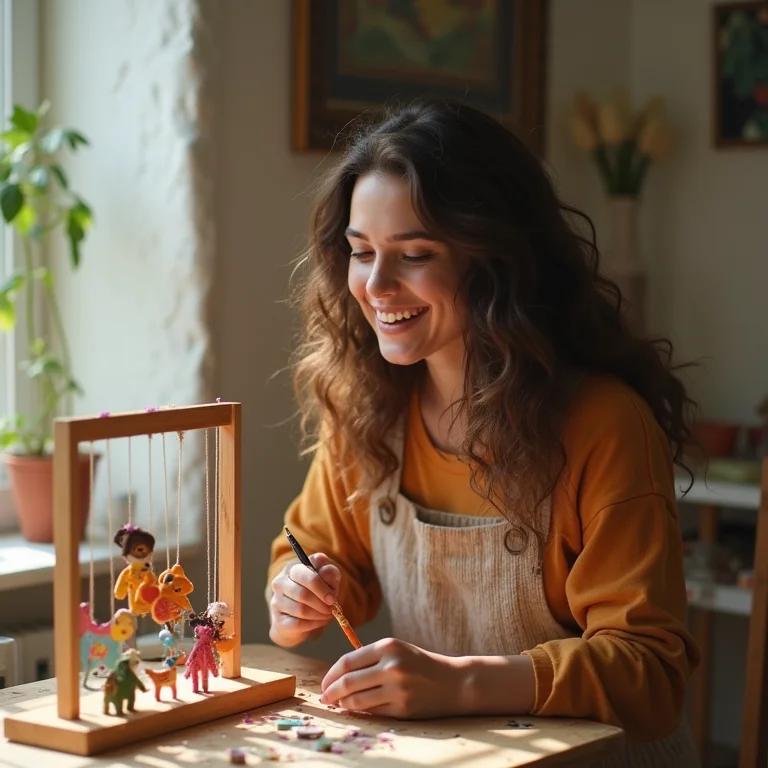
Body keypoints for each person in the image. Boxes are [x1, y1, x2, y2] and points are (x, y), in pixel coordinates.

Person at [266, 98, 701, 766]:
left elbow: (651, 677)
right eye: (360, 253)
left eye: (414, 253)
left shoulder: (605, 427)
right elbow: (312, 554)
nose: (377, 284)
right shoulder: (366, 413)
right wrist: (298, 592)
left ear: (497, 259)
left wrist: (460, 681)